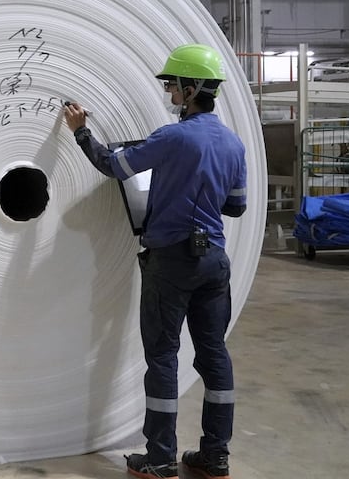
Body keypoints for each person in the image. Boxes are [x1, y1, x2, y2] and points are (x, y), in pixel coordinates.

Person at [62, 44, 247, 479]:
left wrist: (80, 131)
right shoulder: (234, 143)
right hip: (214, 263)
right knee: (215, 355)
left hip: (172, 261)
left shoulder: (172, 137)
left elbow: (113, 165)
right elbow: (236, 207)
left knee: (163, 356)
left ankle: (161, 458)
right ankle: (215, 455)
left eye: (172, 85)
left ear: (191, 88)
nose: (168, 92)